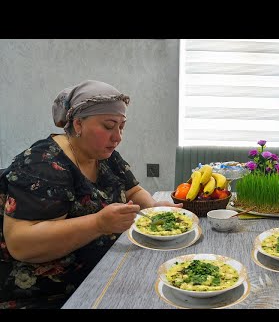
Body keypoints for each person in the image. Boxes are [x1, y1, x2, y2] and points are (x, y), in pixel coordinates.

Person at [0, 79, 181, 309]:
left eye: (121, 126)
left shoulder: (104, 154)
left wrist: (153, 208)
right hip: (51, 294)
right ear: (78, 124)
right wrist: (98, 224)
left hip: (104, 269)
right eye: (108, 126)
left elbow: (133, 190)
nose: (117, 137)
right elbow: (21, 243)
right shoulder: (41, 164)